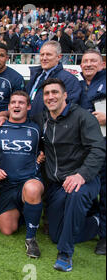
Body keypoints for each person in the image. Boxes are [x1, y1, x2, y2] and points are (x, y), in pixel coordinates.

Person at [33, 78, 105, 271]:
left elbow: (98, 149)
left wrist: (81, 175)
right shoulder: (42, 118)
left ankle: (65, 254)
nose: (50, 97)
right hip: (57, 183)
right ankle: (95, 222)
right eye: (47, 93)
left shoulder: (83, 117)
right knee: (55, 235)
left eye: (55, 92)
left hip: (83, 180)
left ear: (65, 95)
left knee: (75, 194)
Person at [0, 91, 44, 258]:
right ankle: (23, 213)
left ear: (28, 107)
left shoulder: (35, 129)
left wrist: (37, 162)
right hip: (6, 184)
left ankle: (31, 239)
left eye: (21, 103)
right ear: (8, 106)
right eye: (13, 102)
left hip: (28, 181)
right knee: (7, 230)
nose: (16, 105)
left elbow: (44, 152)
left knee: (33, 189)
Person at [79, 49, 106, 255]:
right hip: (83, 147)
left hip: (103, 145)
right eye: (85, 61)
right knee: (87, 187)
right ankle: (89, 225)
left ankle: (104, 237)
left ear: (102, 64)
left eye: (93, 61)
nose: (88, 64)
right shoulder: (78, 85)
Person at [27, 41, 81, 117]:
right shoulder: (35, 76)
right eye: (42, 54)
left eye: (48, 54)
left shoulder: (69, 80)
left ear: (59, 57)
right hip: (30, 125)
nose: (44, 58)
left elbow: (69, 109)